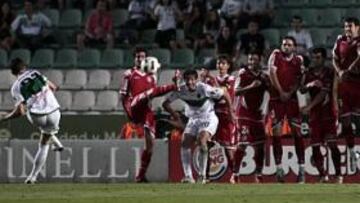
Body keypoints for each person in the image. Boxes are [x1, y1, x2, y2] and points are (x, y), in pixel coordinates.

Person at [162, 69, 235, 184]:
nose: (190, 82)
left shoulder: (204, 88)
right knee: (185, 142)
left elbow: (225, 93)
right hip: (194, 119)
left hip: (208, 117)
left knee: (202, 140)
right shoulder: (181, 90)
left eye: (192, 80)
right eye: (187, 80)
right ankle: (188, 177)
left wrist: (231, 112)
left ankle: (202, 176)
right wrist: (174, 114)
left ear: (196, 80)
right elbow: (165, 104)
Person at [119, 47, 179, 182]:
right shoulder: (129, 73)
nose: (140, 59)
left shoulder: (152, 75)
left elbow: (153, 94)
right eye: (138, 57)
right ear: (134, 58)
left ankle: (140, 176)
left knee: (150, 145)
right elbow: (123, 96)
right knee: (146, 94)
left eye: (143, 57)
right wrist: (129, 114)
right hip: (134, 105)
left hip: (146, 110)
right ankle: (173, 86)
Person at [0, 58, 64, 184]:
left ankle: (33, 176)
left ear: (13, 72)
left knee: (32, 112)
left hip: (37, 116)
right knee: (45, 139)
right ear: (24, 67)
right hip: (54, 112)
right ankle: (55, 143)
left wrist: (5, 117)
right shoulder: (36, 73)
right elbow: (54, 87)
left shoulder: (16, 87)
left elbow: (20, 112)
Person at [300, 47, 342, 183]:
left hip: (328, 113)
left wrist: (308, 106)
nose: (315, 60)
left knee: (332, 145)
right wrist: (309, 85)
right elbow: (301, 89)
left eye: (318, 57)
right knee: (315, 146)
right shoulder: (309, 73)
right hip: (315, 115)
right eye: (313, 57)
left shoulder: (329, 72)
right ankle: (323, 175)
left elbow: (324, 92)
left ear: (324, 58)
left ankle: (338, 175)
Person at [268, 36, 305, 183]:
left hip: (292, 99)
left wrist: (289, 93)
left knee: (297, 132)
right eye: (284, 44)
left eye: (289, 45)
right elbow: (272, 73)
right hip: (276, 99)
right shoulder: (276, 54)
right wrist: (281, 91)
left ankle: (301, 170)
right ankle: (279, 169)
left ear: (294, 47)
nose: (286, 47)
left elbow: (299, 80)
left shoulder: (299, 60)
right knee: (276, 132)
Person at [200, 55, 238, 183]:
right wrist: (203, 79)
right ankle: (206, 176)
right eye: (218, 63)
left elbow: (221, 93)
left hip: (226, 115)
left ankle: (234, 174)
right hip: (213, 116)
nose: (220, 66)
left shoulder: (231, 79)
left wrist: (210, 78)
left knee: (228, 148)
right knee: (207, 145)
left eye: (223, 63)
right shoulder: (211, 80)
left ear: (228, 66)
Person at [233, 51, 269, 183]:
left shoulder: (264, 77)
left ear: (260, 60)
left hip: (258, 115)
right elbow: (236, 91)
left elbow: (272, 91)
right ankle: (235, 174)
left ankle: (258, 174)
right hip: (244, 113)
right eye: (250, 60)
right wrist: (251, 86)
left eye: (254, 60)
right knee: (242, 144)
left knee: (260, 146)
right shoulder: (243, 73)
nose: (252, 62)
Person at [332, 17, 360, 172]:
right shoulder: (340, 40)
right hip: (345, 86)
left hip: (358, 84)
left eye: (350, 26)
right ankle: (351, 152)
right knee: (346, 121)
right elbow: (334, 58)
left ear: (357, 27)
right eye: (345, 26)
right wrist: (339, 71)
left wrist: (348, 70)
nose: (347, 29)